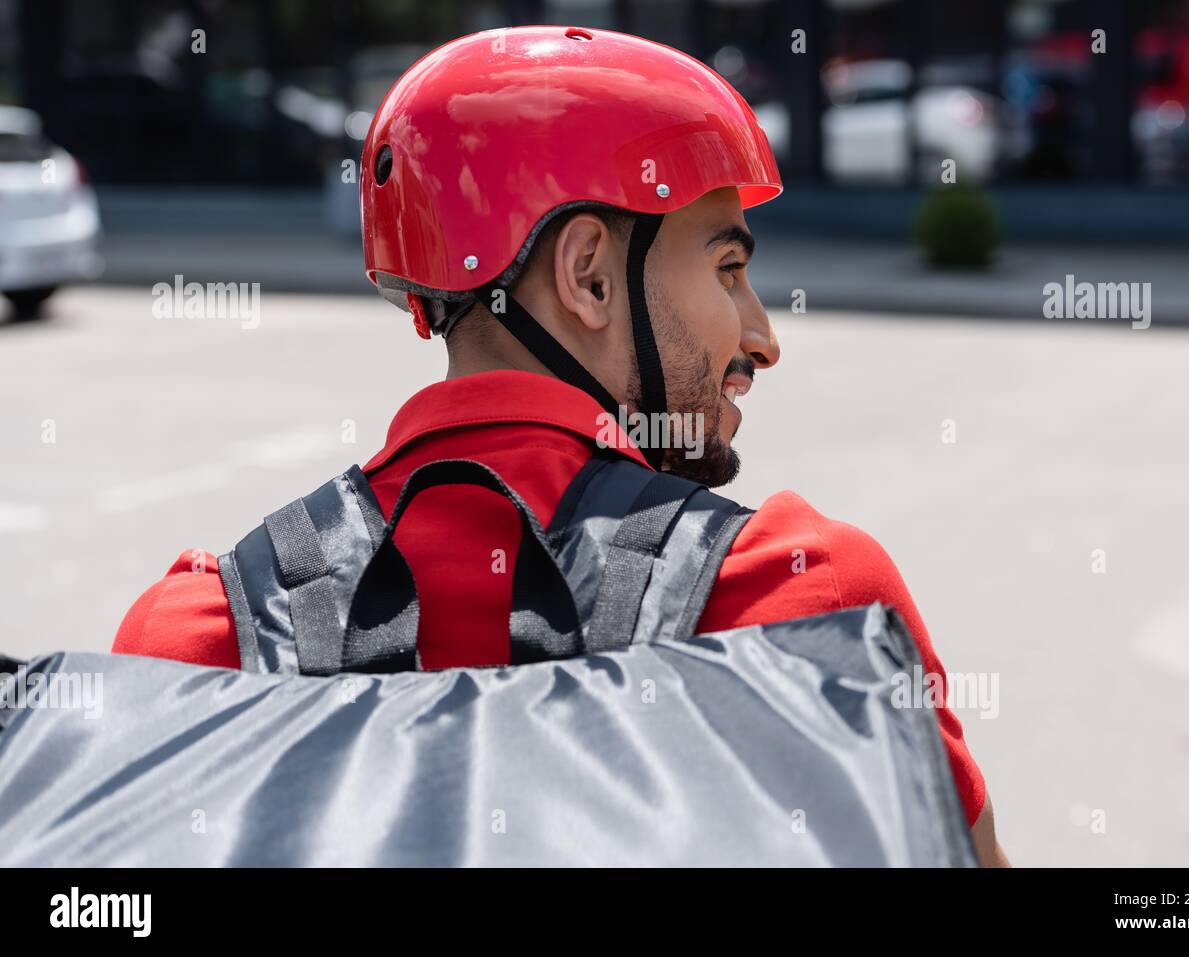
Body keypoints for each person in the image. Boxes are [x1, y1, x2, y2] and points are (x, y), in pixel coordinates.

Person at [113, 25, 1009, 867]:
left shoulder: (201, 636)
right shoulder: (810, 598)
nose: (762, 335)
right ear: (587, 275)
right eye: (728, 269)